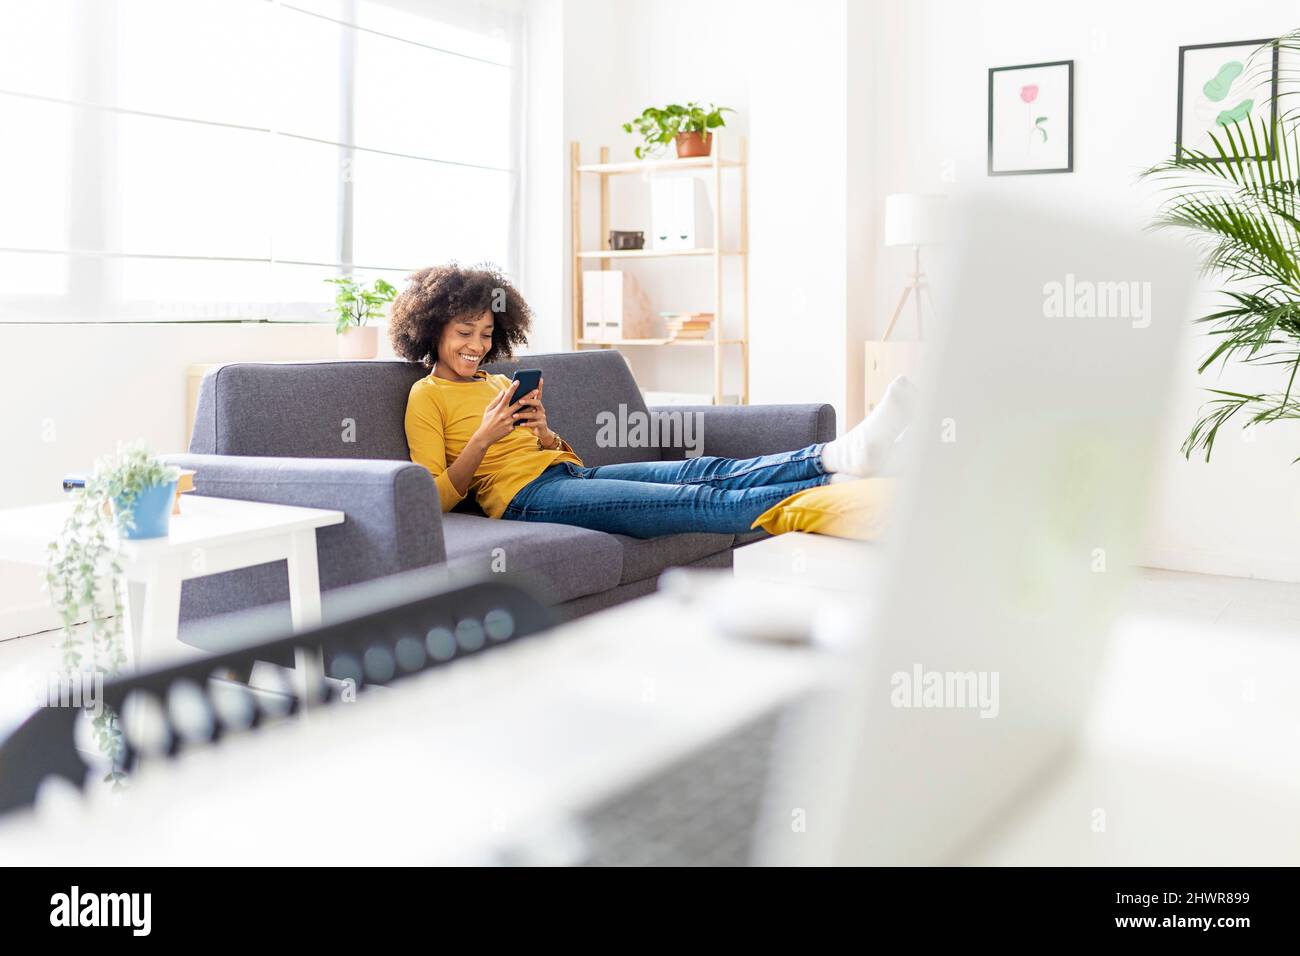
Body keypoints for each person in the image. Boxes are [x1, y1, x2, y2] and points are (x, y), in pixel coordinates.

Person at [393, 264, 912, 539]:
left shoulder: (490, 383)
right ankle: (835, 490)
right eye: (465, 332)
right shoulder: (426, 395)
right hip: (523, 501)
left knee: (709, 470)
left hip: (566, 475)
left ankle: (835, 458)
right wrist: (483, 437)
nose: (477, 345)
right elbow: (433, 496)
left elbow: (559, 457)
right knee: (695, 501)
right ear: (432, 329)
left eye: (486, 334)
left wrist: (543, 432)